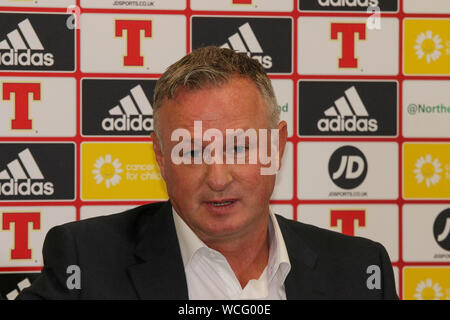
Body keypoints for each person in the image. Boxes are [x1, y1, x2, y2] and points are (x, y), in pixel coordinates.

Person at [18, 46, 398, 300]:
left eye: (239, 146)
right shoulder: (85, 262)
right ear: (160, 156)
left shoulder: (359, 272)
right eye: (192, 150)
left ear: (277, 148)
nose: (217, 177)